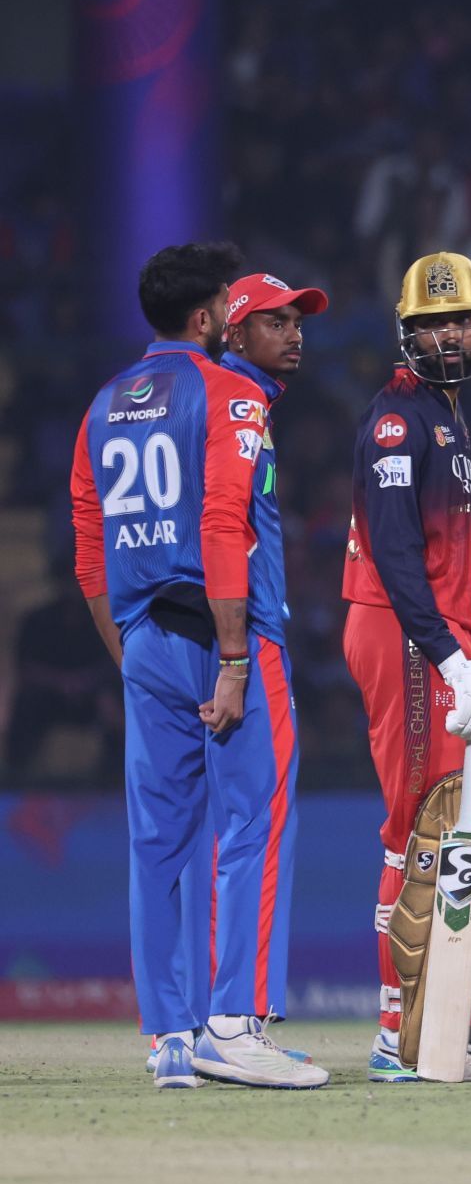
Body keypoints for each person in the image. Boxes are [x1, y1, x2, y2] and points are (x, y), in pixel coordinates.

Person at [70, 242, 327, 1089]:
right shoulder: (229, 393)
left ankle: (168, 1036)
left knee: (157, 840)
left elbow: (89, 551)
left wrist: (130, 655)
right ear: (209, 316)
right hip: (228, 635)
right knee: (254, 823)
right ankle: (234, 1024)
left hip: (144, 637)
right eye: (230, 305)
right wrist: (235, 659)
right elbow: (223, 525)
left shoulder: (104, 405)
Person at [341, 251, 471, 1082]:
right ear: (407, 332)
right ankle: (402, 1036)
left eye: (462, 320)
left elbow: (449, 564)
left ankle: (453, 1029)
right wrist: (453, 658)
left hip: (436, 637)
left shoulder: (447, 417)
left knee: (463, 826)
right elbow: (395, 558)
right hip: (403, 633)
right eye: (434, 323)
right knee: (417, 828)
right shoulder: (397, 421)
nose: (451, 335)